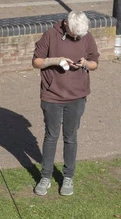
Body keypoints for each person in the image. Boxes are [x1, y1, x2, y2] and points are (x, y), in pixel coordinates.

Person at [32, 10, 99, 196]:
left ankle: (68, 177)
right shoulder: (50, 35)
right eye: (74, 35)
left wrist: (85, 63)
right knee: (51, 136)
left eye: (80, 36)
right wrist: (55, 61)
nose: (77, 38)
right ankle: (45, 176)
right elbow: (36, 61)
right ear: (67, 25)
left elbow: (95, 62)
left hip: (76, 97)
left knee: (71, 137)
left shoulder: (86, 36)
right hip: (52, 95)